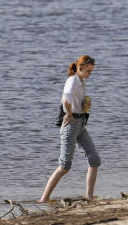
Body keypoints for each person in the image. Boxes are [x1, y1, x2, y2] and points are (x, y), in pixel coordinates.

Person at [39, 55, 100, 202]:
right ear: (80, 68)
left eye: (91, 71)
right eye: (88, 71)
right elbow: (66, 99)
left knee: (95, 160)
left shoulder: (81, 82)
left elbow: (74, 100)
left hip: (81, 124)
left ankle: (89, 197)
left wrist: (86, 106)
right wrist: (69, 114)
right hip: (71, 125)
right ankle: (43, 199)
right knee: (65, 166)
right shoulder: (72, 80)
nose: (90, 74)